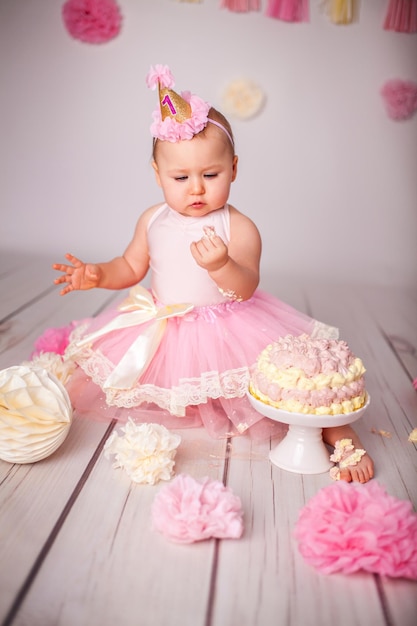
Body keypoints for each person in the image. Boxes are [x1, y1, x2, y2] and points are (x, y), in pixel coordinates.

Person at [53, 65, 373, 483]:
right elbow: (131, 266)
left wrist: (222, 265)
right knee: (163, 388)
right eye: (180, 177)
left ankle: (335, 430)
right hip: (168, 327)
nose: (197, 189)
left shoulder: (237, 227)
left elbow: (246, 287)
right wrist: (97, 274)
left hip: (227, 327)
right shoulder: (152, 219)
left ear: (234, 169)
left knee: (289, 385)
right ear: (157, 175)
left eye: (211, 175)